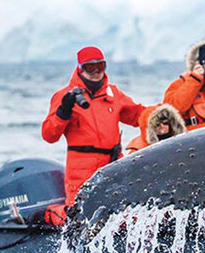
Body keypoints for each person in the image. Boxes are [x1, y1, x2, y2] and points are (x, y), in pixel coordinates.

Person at [41, 46, 145, 219]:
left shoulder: (113, 94)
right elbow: (49, 135)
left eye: (101, 66)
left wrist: (166, 115)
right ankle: (50, 214)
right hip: (81, 167)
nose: (96, 72)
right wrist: (63, 112)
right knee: (79, 217)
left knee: (121, 213)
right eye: (91, 67)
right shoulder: (64, 96)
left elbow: (138, 115)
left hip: (113, 164)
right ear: (80, 69)